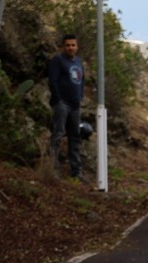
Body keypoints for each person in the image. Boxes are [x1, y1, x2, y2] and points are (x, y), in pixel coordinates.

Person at [48, 33, 85, 179]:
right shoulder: (57, 61)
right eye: (68, 45)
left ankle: (76, 171)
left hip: (75, 105)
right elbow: (53, 81)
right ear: (63, 46)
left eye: (73, 45)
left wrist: (80, 96)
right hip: (62, 104)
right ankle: (52, 168)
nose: (71, 48)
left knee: (75, 138)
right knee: (57, 135)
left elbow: (82, 81)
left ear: (77, 46)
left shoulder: (78, 61)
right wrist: (58, 100)